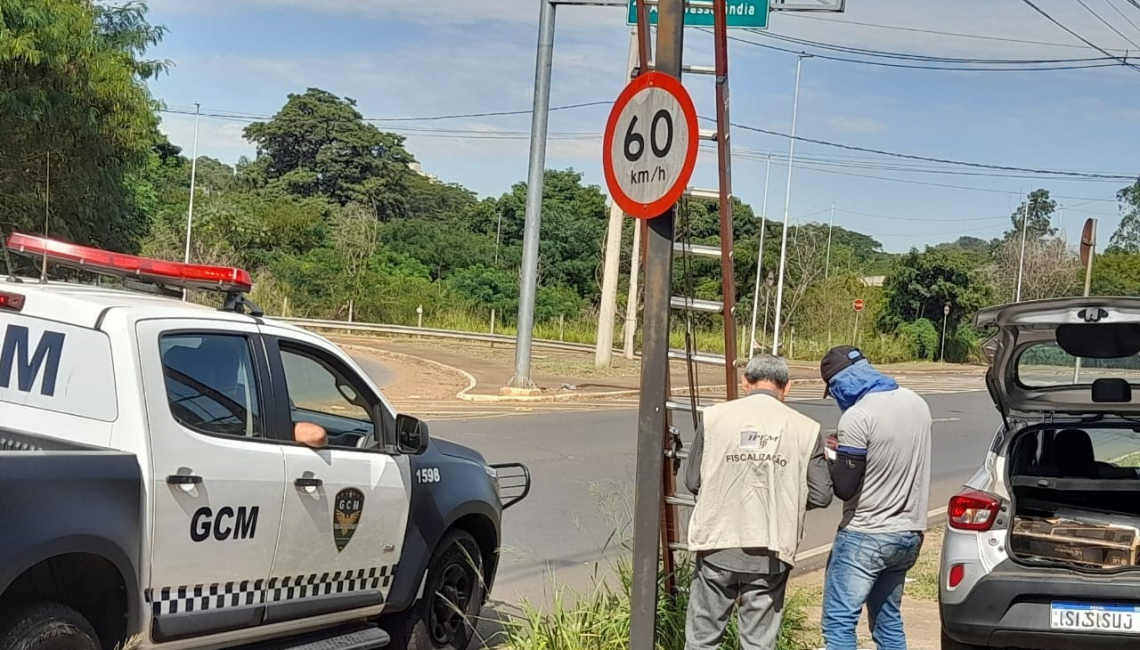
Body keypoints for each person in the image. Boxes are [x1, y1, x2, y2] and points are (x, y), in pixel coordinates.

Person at [684, 354, 833, 650]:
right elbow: (821, 494)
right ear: (787, 387)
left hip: (717, 544)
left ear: (745, 383)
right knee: (758, 643)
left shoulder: (713, 417)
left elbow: (692, 481)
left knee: (702, 640)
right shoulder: (806, 429)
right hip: (771, 550)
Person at [819, 346, 932, 650]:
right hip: (908, 534)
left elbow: (844, 487)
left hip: (865, 535)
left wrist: (832, 457)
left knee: (839, 623)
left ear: (839, 384)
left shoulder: (859, 416)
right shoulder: (917, 403)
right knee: (887, 620)